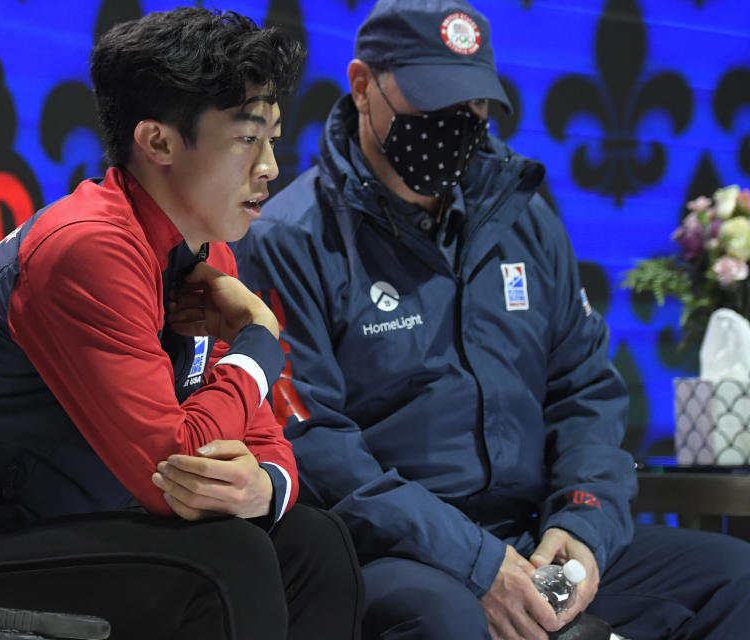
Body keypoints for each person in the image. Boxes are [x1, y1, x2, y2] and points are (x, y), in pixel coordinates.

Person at [0, 8, 362, 640]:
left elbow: (260, 436)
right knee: (226, 561)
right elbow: (175, 469)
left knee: (314, 542)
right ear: (158, 142)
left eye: (273, 138)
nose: (271, 165)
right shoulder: (88, 249)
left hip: (42, 523)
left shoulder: (206, 252)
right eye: (248, 138)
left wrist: (265, 487)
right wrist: (258, 344)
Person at [234, 1, 750, 639]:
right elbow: (315, 447)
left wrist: (581, 525)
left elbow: (584, 392)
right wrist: (475, 563)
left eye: (473, 106)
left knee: (734, 577)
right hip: (393, 551)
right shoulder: (290, 239)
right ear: (362, 86)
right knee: (447, 621)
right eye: (433, 102)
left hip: (531, 533)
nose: (456, 124)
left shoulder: (526, 220)